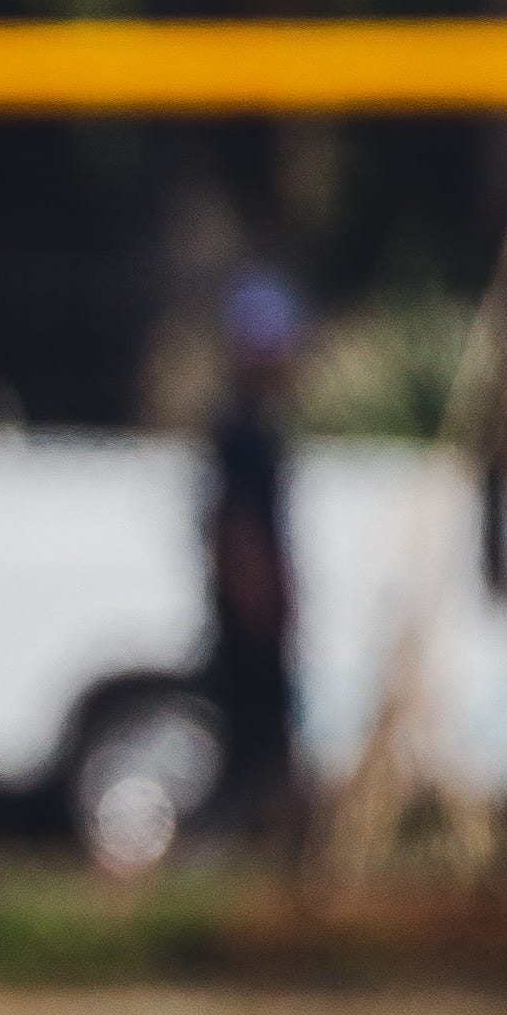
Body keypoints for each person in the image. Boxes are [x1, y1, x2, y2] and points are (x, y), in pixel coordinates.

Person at [205, 266, 304, 846]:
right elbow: (235, 523)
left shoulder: (261, 425)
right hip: (250, 605)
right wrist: (259, 594)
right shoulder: (240, 430)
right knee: (253, 724)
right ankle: (250, 828)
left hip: (259, 601)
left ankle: (269, 829)